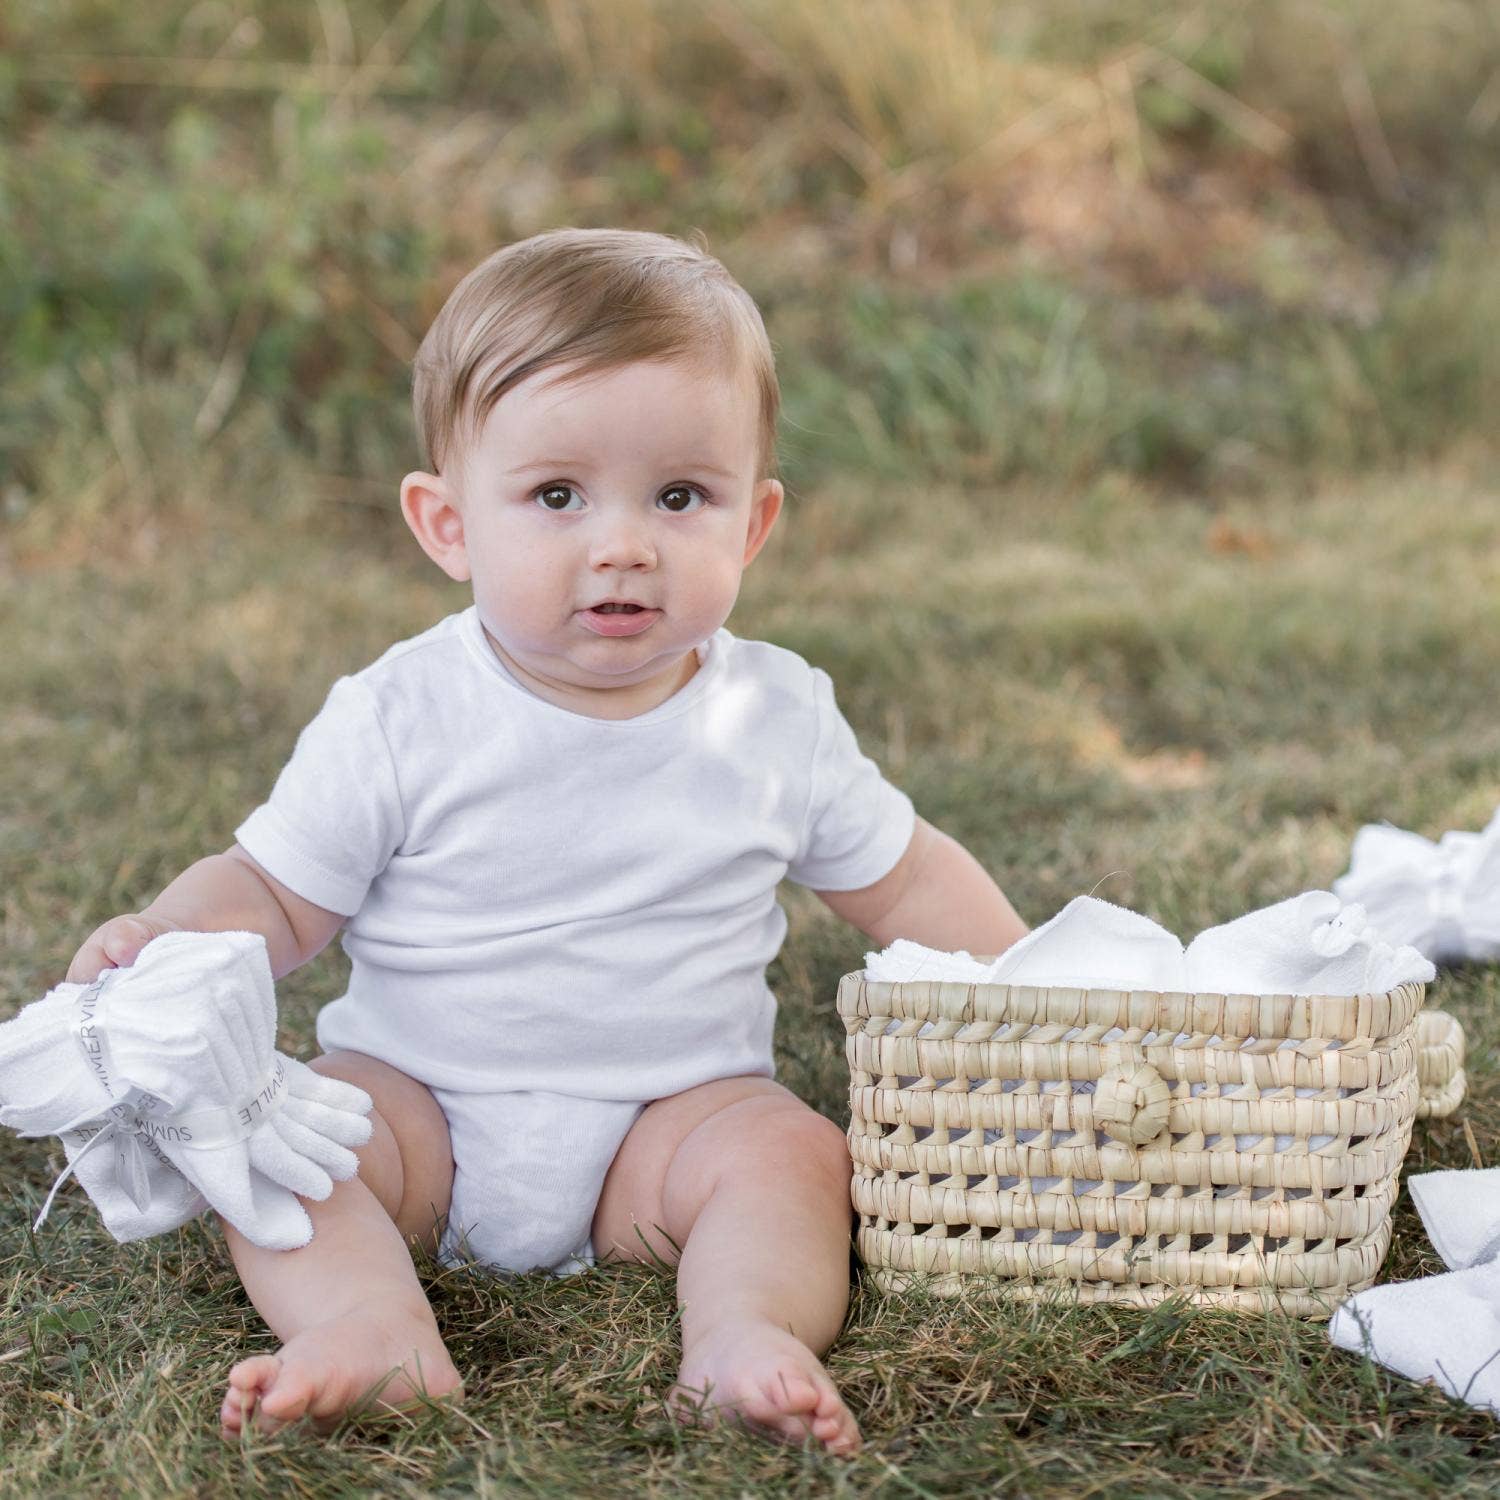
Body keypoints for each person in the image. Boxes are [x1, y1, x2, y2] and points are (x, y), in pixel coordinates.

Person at [65, 227, 1028, 1455]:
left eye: (681, 497)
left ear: (755, 523)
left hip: (666, 1129)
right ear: (448, 523)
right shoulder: (402, 714)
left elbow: (906, 877)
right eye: (557, 497)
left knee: (794, 1154)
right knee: (280, 1139)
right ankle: (373, 1328)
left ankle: (742, 1331)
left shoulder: (773, 717)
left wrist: (1044, 979)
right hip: (423, 1114)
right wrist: (165, 931)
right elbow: (273, 890)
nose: (622, 544)